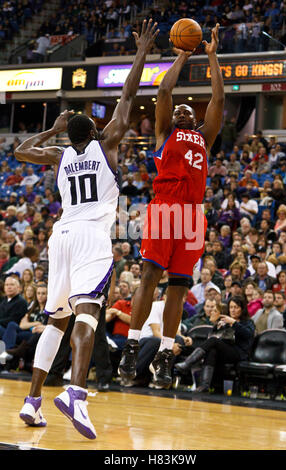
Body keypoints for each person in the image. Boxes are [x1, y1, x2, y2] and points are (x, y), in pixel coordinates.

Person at [15, 19, 159, 439]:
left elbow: (22, 151)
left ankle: (33, 400)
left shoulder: (58, 156)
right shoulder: (106, 143)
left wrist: (55, 130)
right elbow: (128, 95)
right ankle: (76, 393)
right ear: (95, 131)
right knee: (88, 314)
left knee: (56, 321)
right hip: (91, 237)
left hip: (60, 238)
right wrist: (141, 52)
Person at [118, 23, 224, 390]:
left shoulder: (203, 138)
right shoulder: (166, 133)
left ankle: (165, 353)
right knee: (150, 277)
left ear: (193, 120)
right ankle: (132, 346)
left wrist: (211, 57)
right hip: (164, 208)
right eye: (176, 110)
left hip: (194, 215)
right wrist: (182, 53)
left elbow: (218, 102)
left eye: (185, 111)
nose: (179, 111)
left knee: (178, 286)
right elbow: (164, 89)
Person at [175, 296, 255, 392]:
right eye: (231, 307)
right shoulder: (225, 322)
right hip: (226, 351)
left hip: (239, 353)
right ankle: (204, 385)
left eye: (236, 307)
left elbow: (248, 335)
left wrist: (234, 323)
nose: (233, 310)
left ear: (242, 309)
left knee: (213, 341)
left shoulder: (248, 322)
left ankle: (187, 363)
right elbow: (220, 340)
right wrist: (218, 328)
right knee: (212, 350)